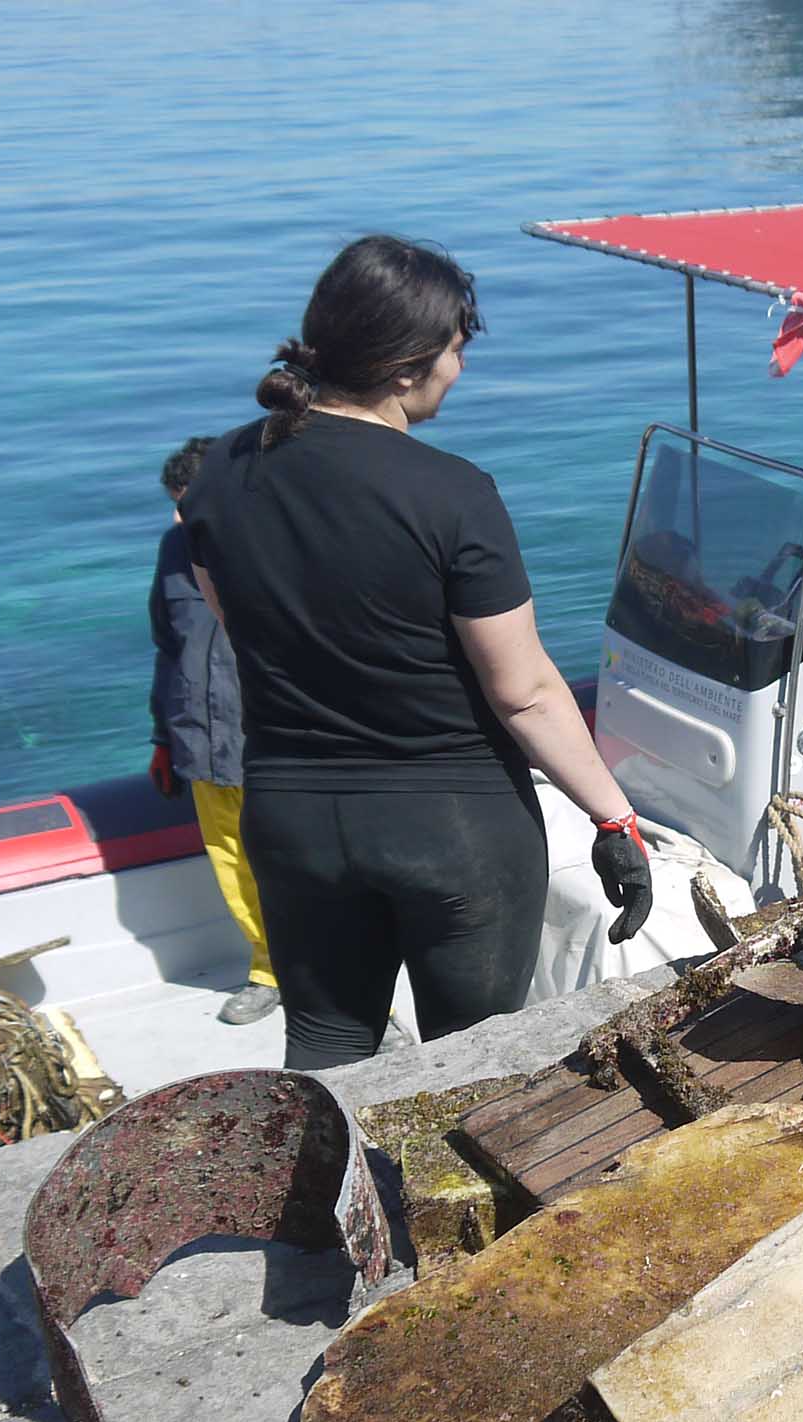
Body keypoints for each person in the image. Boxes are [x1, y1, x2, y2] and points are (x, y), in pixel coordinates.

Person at [178, 235, 652, 1071]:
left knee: (325, 1048)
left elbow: (235, 623)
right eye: (455, 351)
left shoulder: (221, 470)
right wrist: (612, 817)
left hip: (295, 820)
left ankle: (333, 1200)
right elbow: (526, 693)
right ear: (404, 368)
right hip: (455, 828)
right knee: (471, 1067)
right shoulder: (452, 493)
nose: (459, 370)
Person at [147, 435, 282, 1026]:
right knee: (231, 862)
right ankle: (267, 970)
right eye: (176, 503)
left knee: (304, 868)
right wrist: (160, 737)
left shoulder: (279, 548)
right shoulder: (174, 549)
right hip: (201, 745)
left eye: (189, 501)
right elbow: (167, 647)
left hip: (275, 745)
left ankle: (349, 988)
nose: (180, 517)